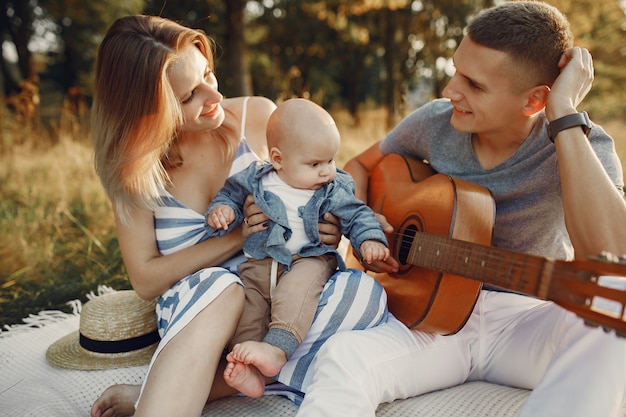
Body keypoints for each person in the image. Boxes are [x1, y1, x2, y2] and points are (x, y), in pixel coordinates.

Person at [296, 2, 626, 417]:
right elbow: (360, 166)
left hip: (526, 324)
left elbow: (612, 256)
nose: (451, 90)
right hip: (433, 321)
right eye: (455, 71)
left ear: (534, 101)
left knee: (617, 301)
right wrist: (363, 227)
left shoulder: (580, 142)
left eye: (474, 84)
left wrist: (562, 116)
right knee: (343, 356)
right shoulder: (435, 123)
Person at [89, 15, 388, 417]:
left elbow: (316, 185)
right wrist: (235, 238)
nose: (213, 95)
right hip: (204, 309)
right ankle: (182, 391)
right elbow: (145, 279)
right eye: (189, 96)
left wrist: (330, 229)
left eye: (208, 73)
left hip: (280, 292)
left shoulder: (258, 117)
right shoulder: (134, 171)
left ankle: (196, 382)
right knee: (222, 286)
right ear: (146, 110)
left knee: (362, 297)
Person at [205, 98, 390, 397]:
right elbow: (231, 194)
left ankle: (278, 349)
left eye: (331, 160)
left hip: (309, 259)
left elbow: (357, 214)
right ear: (278, 159)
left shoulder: (333, 187)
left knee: (297, 292)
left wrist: (369, 239)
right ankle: (252, 370)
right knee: (248, 307)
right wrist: (224, 210)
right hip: (260, 264)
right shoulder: (256, 178)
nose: (327, 171)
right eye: (315, 163)